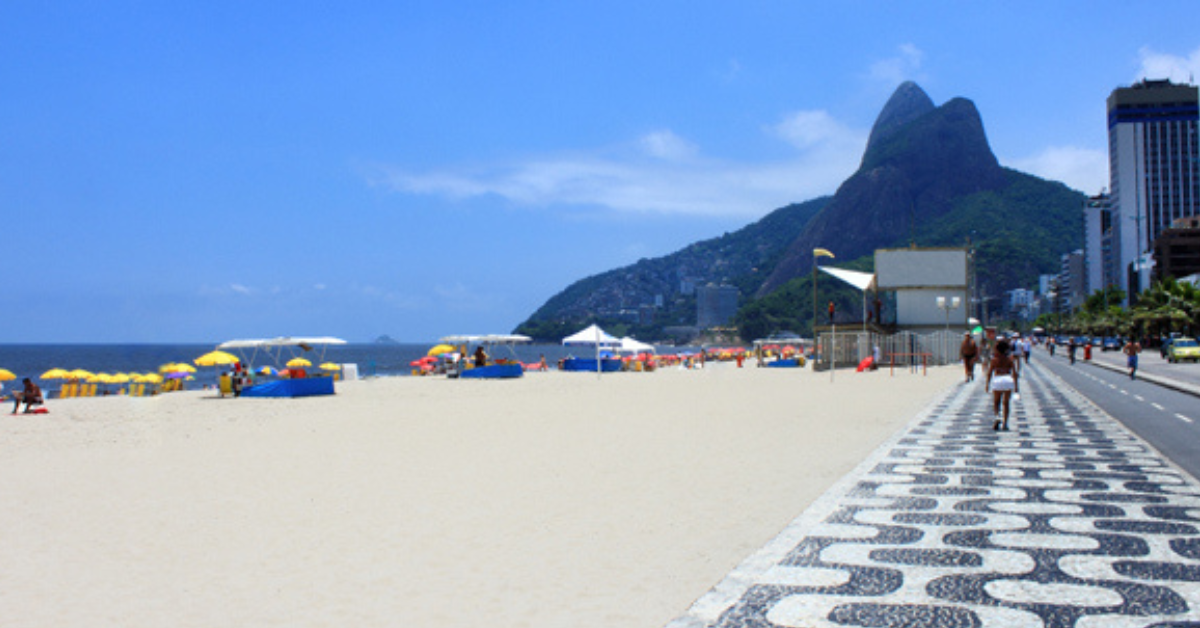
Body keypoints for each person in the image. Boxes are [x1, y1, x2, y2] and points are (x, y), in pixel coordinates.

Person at [985, 339, 1019, 432]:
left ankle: (997, 416)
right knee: (1006, 403)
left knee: (996, 401)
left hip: (998, 379)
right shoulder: (1009, 359)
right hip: (1008, 379)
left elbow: (989, 373)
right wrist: (1016, 387)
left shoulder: (994, 360)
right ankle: (1005, 423)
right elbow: (1015, 373)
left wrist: (987, 384)